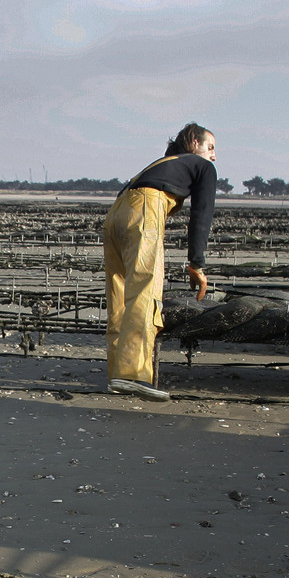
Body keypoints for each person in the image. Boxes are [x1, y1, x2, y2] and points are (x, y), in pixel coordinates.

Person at [102, 123, 218, 402]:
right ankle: (134, 375)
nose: (213, 156)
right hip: (145, 209)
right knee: (145, 291)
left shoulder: (161, 164)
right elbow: (202, 214)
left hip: (116, 214)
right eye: (210, 147)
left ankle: (116, 372)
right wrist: (196, 263)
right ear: (193, 141)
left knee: (118, 294)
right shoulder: (202, 167)